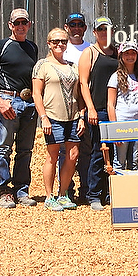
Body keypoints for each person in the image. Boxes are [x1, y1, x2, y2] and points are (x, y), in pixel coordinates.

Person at [0, 8, 39, 209]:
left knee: (26, 149)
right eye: (17, 23)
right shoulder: (0, 46)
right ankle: (3, 191)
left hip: (29, 103)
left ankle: (21, 190)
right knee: (4, 147)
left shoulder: (32, 47)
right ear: (10, 25)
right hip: (8, 101)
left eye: (24, 22)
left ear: (29, 25)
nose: (20, 26)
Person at [32, 28, 85, 211]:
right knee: (52, 156)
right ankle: (49, 197)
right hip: (52, 116)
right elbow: (36, 94)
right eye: (56, 41)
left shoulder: (72, 66)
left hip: (73, 117)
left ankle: (63, 194)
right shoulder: (42, 65)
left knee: (72, 155)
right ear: (49, 43)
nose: (60, 44)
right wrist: (43, 117)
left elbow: (79, 94)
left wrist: (81, 116)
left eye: (63, 41)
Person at [78, 16, 118, 211]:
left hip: (115, 110)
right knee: (97, 151)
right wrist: (90, 108)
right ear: (94, 32)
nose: (104, 32)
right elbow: (83, 83)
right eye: (100, 29)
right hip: (98, 110)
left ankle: (109, 192)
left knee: (113, 152)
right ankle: (93, 194)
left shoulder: (117, 52)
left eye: (106, 29)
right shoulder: (90, 53)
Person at [57, 12, 91, 202]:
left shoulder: (91, 49)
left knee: (86, 151)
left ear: (85, 28)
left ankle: (86, 190)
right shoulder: (61, 48)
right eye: (73, 25)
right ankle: (66, 190)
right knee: (65, 151)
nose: (76, 28)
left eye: (80, 25)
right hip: (66, 106)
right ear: (66, 27)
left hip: (86, 104)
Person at [107, 41, 138, 171]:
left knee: (134, 161)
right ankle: (118, 184)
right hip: (122, 124)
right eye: (127, 53)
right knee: (119, 161)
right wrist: (114, 129)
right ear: (121, 56)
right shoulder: (115, 77)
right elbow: (110, 104)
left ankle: (133, 184)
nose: (130, 56)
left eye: (133, 53)